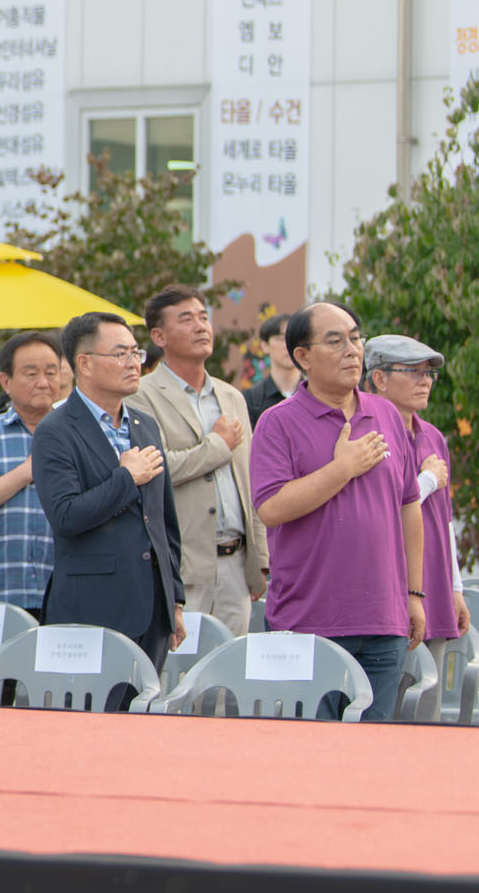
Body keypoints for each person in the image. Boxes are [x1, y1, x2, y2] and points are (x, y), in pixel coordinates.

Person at [251, 302, 425, 721]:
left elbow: (409, 505)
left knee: (372, 747)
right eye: (335, 341)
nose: (352, 350)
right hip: (309, 622)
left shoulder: (385, 413)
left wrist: (414, 595)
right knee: (310, 749)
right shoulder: (278, 422)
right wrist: (342, 468)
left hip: (384, 621)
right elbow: (271, 508)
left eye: (356, 338)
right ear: (303, 356)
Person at [31, 313, 183, 671]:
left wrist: (174, 598)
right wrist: (126, 478)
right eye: (120, 354)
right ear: (84, 363)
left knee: (146, 703)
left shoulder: (144, 425)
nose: (133, 363)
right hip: (91, 609)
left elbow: (163, 520)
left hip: (153, 608)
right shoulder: (55, 430)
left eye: (135, 353)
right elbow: (66, 516)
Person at [127, 285, 266, 636]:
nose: (201, 326)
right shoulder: (140, 396)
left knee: (231, 666)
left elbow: (250, 480)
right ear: (159, 336)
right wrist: (218, 445)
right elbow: (155, 468)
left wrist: (260, 560)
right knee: (181, 665)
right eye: (186, 319)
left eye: (204, 317)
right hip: (183, 565)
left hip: (236, 563)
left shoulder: (232, 396)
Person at [364, 334, 469, 714]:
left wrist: (455, 587)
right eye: (414, 372)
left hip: (434, 585)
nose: (425, 381)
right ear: (379, 378)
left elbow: (444, 521)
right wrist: (425, 481)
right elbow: (377, 508)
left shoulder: (433, 436)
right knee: (388, 706)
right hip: (391, 588)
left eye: (429, 374)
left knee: (428, 707)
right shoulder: (369, 434)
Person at [0, 331, 61, 617]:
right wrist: (25, 473)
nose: (43, 382)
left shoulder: (75, 435)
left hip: (61, 591)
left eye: (51, 373)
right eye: (31, 374)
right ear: (5, 381)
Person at [244, 312, 298, 426]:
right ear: (264, 346)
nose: (289, 344)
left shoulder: (316, 394)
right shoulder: (251, 399)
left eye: (293, 338)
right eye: (282, 339)